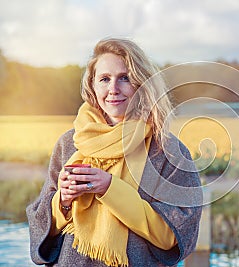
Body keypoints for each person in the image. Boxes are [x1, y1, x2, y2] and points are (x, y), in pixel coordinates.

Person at [26, 37, 202, 267]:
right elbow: (41, 223)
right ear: (92, 85)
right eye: (104, 79)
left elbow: (173, 236)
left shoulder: (167, 150)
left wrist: (110, 188)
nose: (113, 89)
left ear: (141, 83)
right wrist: (64, 201)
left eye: (124, 78)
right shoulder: (69, 143)